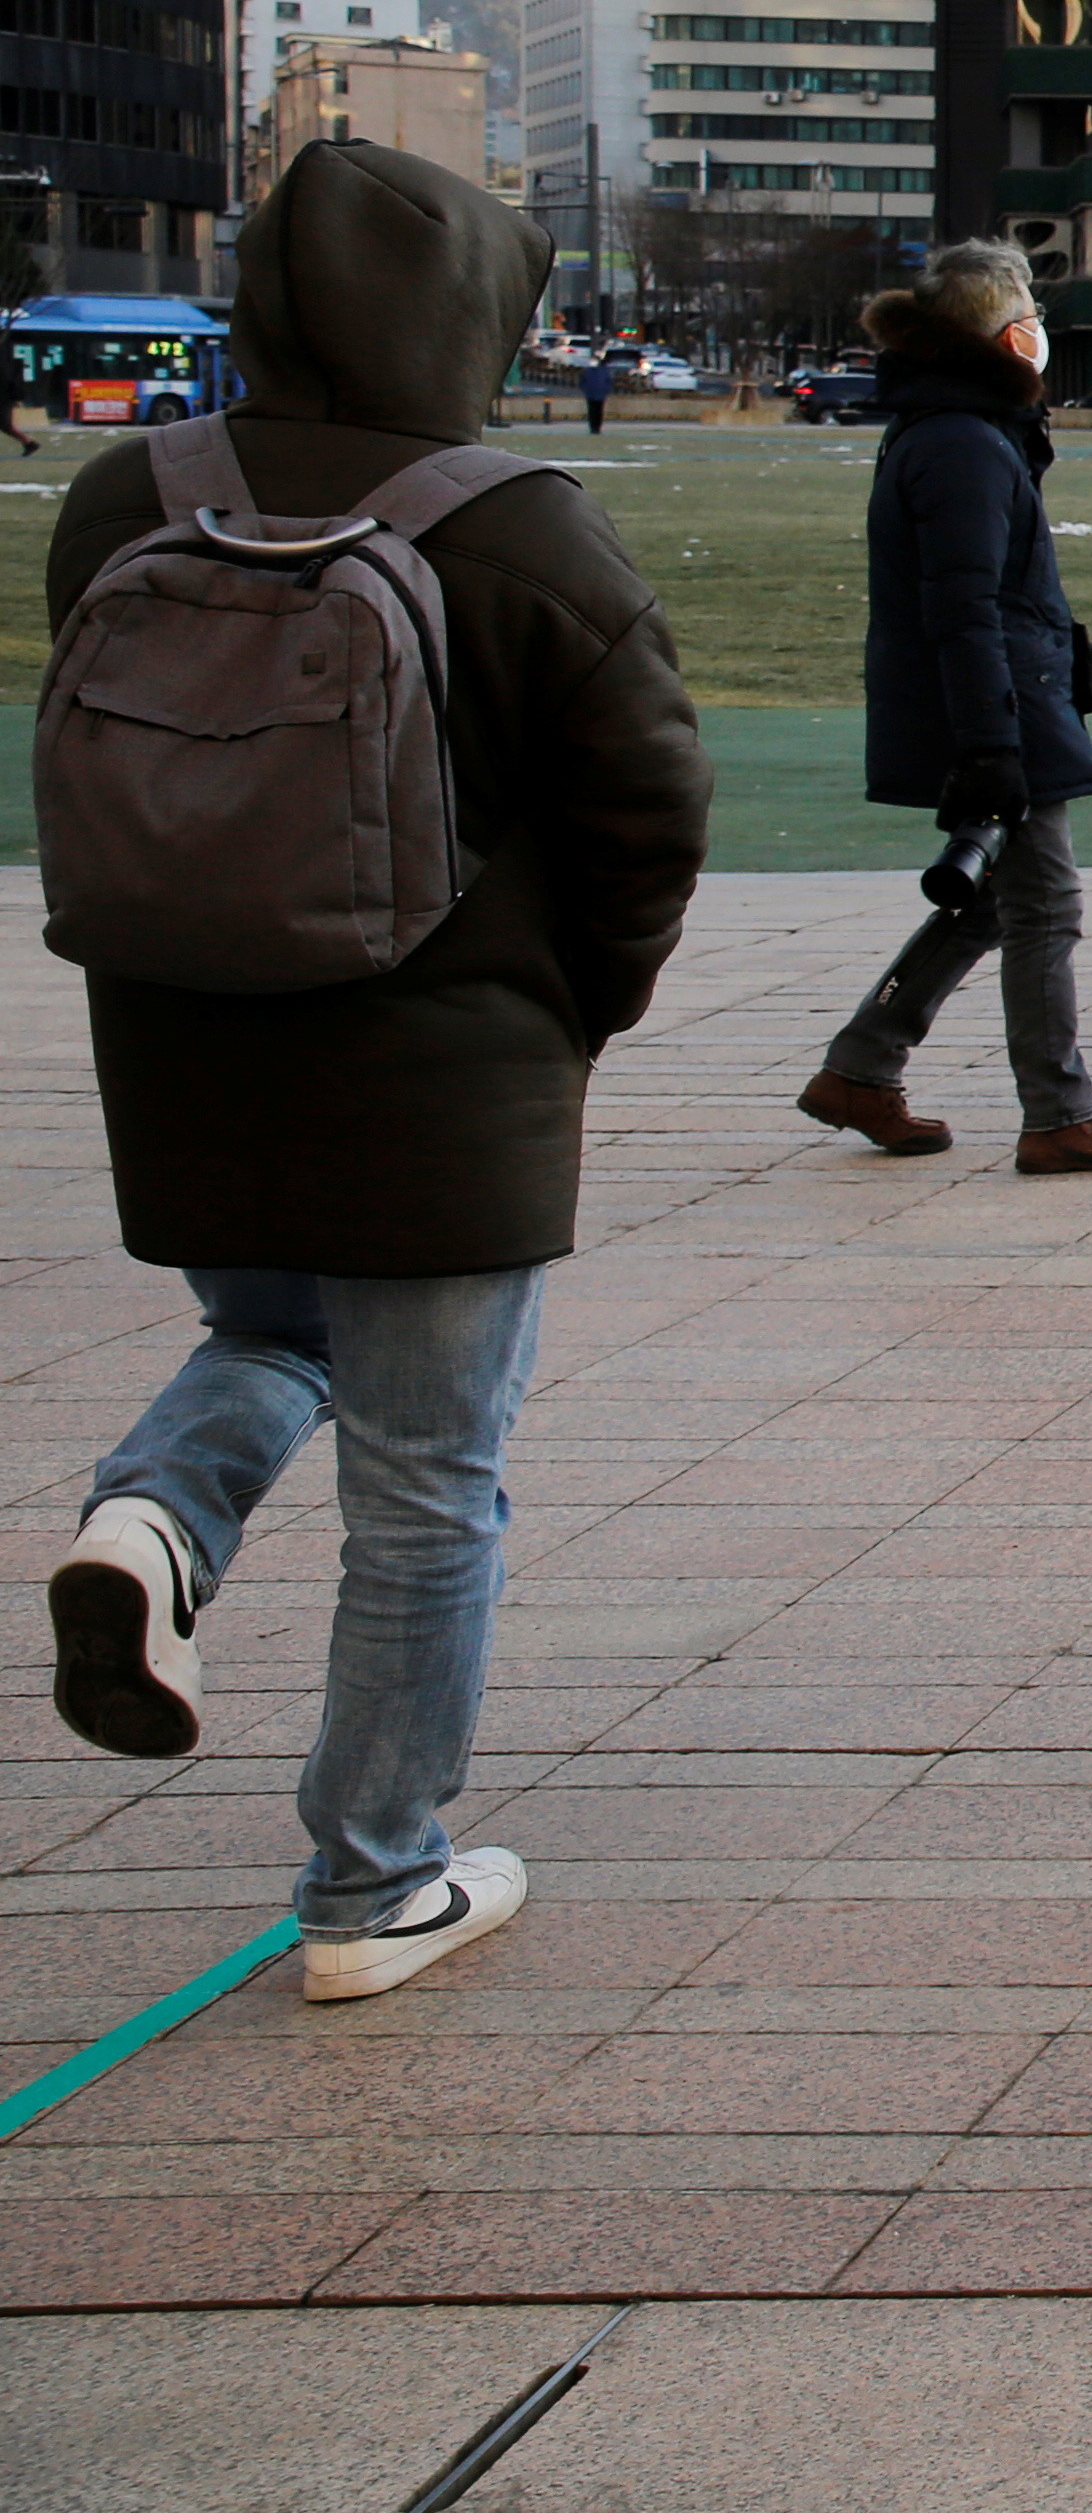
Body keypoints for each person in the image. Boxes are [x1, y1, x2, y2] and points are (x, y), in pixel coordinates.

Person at [37, 142, 713, 1998]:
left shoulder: (122, 497)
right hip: (441, 1066)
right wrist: (581, 1000)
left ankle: (156, 1515)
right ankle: (371, 1880)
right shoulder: (514, 525)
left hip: (182, 1034)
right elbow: (647, 799)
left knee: (272, 1330)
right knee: (430, 1485)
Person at [796, 239, 1092, 1174]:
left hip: (1006, 696)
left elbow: (990, 595)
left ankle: (861, 1066)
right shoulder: (962, 440)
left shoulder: (956, 427)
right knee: (1044, 906)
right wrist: (993, 745)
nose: (1042, 332)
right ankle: (1057, 1115)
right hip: (996, 710)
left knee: (989, 905)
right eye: (1033, 315)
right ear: (1002, 333)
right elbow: (965, 610)